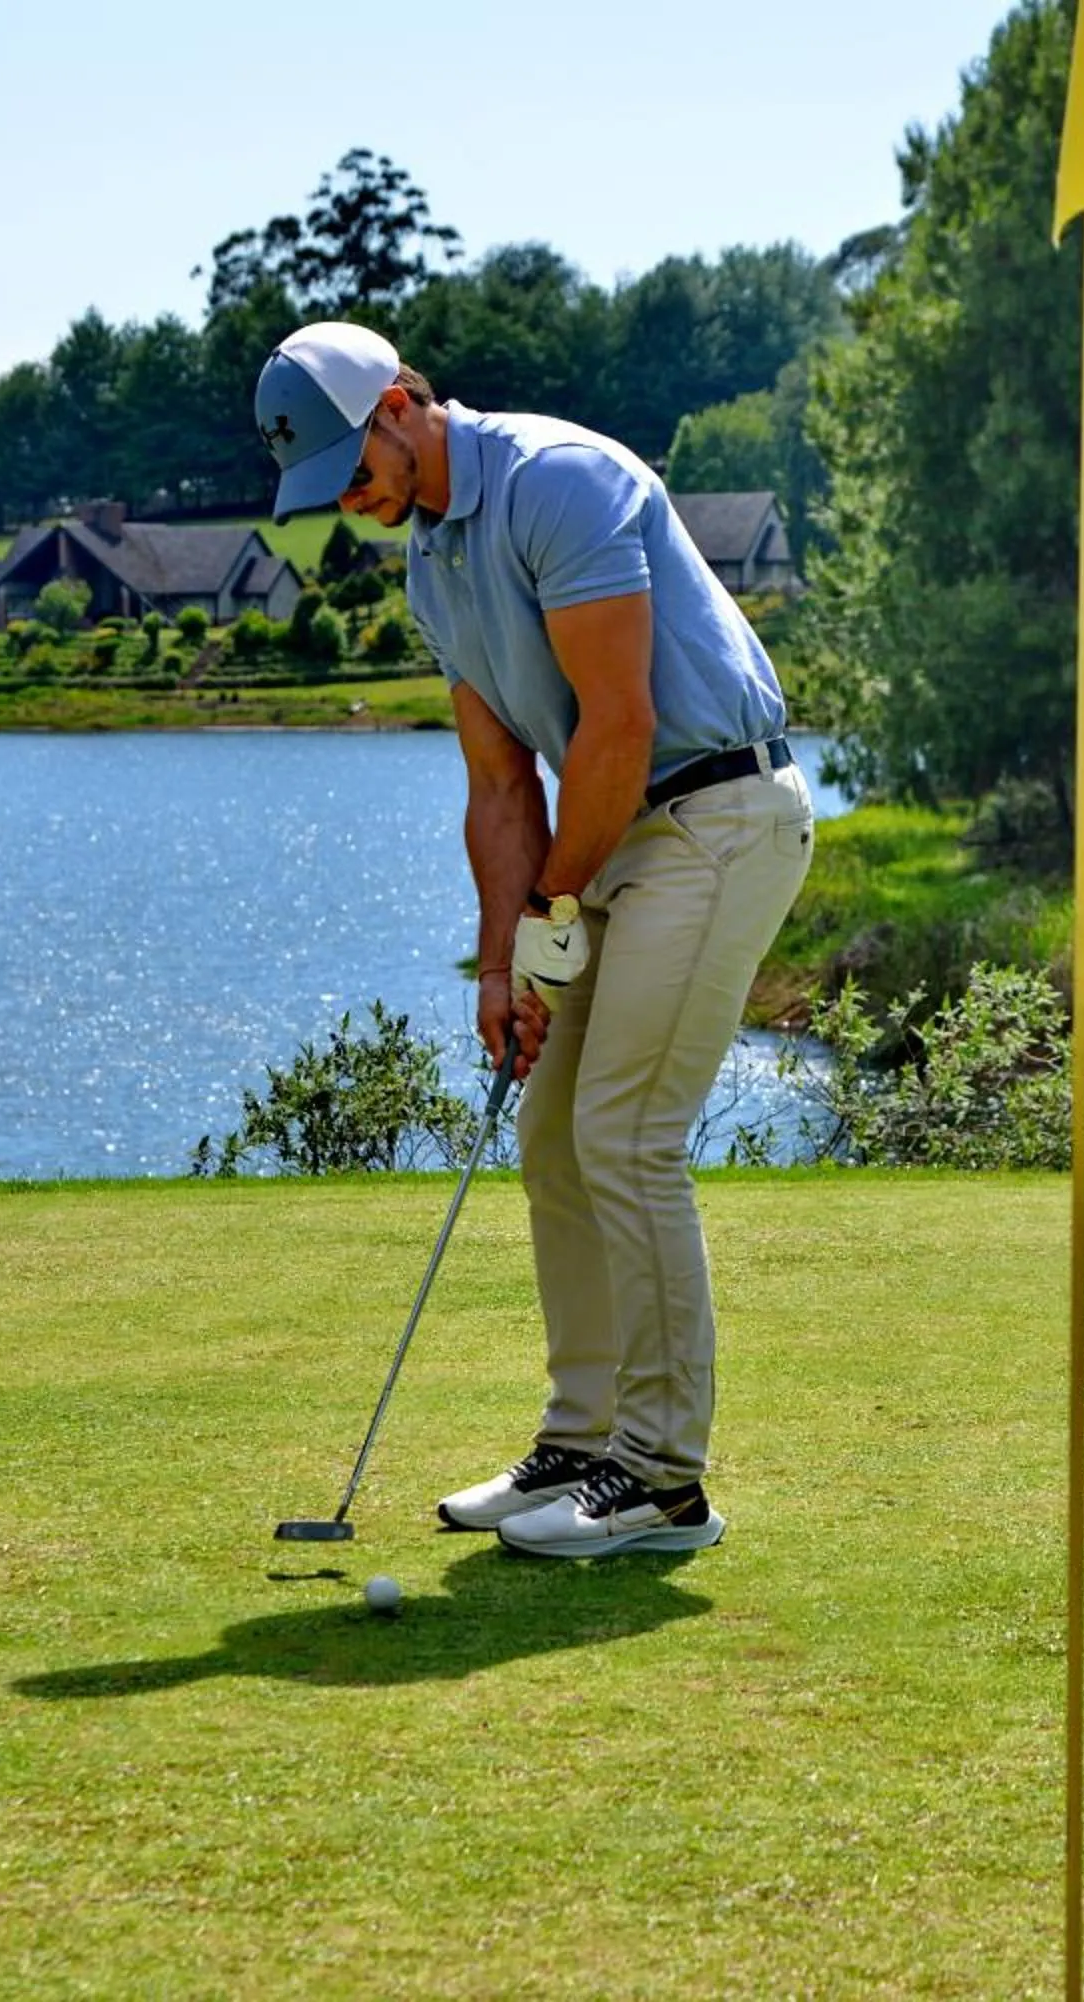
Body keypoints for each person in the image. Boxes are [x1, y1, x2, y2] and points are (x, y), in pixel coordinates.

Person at [255, 321, 813, 1558]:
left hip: (718, 810)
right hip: (619, 834)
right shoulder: (429, 570)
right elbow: (502, 787)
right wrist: (504, 964)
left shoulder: (561, 480)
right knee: (552, 1130)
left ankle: (665, 1485)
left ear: (401, 404)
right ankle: (584, 1438)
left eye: (354, 470)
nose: (353, 502)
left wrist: (556, 909)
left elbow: (618, 725)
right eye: (331, 492)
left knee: (627, 1132)